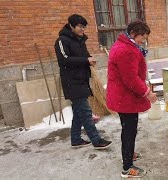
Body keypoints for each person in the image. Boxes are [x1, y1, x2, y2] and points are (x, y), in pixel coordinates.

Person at [106, 20, 157, 178]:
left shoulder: (124, 44)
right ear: (133, 33)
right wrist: (147, 92)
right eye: (142, 37)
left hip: (123, 96)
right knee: (129, 131)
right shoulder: (127, 50)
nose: (144, 40)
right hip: (125, 97)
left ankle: (129, 154)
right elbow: (130, 78)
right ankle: (127, 167)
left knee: (128, 129)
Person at [54, 14, 112, 150]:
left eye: (84, 27)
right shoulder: (62, 41)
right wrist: (85, 60)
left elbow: (84, 56)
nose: (82, 30)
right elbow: (64, 60)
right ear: (71, 25)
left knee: (78, 113)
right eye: (80, 26)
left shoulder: (79, 40)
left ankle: (75, 139)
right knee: (86, 113)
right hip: (71, 82)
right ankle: (97, 141)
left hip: (82, 80)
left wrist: (90, 60)